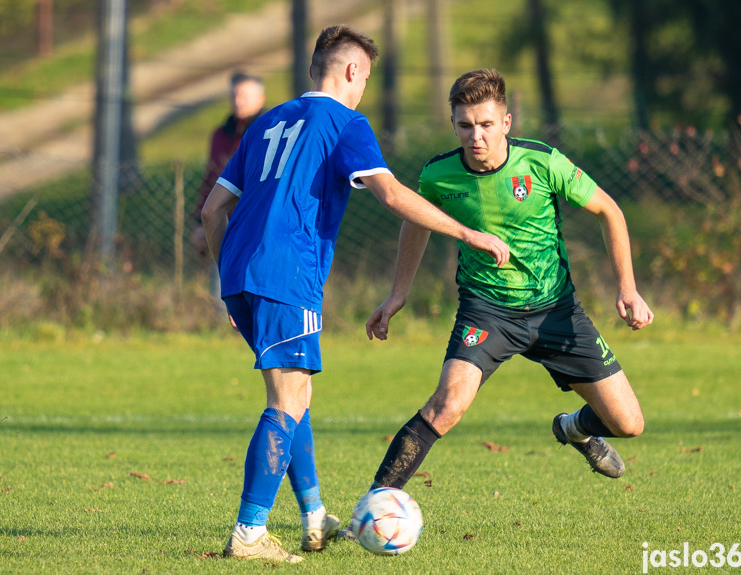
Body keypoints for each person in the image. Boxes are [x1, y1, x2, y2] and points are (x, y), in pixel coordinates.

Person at [200, 30, 510, 564]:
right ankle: (249, 533)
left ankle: (314, 515)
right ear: (349, 72)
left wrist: (231, 282)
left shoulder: (267, 121)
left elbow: (211, 211)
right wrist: (469, 234)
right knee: (286, 402)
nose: (364, 86)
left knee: (296, 398)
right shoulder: (345, 123)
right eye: (365, 75)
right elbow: (391, 194)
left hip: (241, 275)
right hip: (287, 274)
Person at [353, 68, 654, 517]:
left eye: (486, 125)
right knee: (447, 405)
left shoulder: (542, 162)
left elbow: (609, 211)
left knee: (629, 424)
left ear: (507, 123)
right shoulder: (438, 174)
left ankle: (573, 428)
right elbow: (415, 222)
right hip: (486, 312)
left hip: (556, 311)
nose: (476, 136)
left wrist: (627, 287)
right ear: (453, 124)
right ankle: (372, 506)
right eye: (465, 125)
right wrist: (398, 293)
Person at [191, 72, 265, 296]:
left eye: (244, 95)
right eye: (234, 95)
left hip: (257, 220)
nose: (237, 101)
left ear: (260, 99)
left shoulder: (269, 131)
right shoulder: (220, 135)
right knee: (222, 279)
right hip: (223, 218)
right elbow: (211, 178)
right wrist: (200, 220)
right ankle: (220, 322)